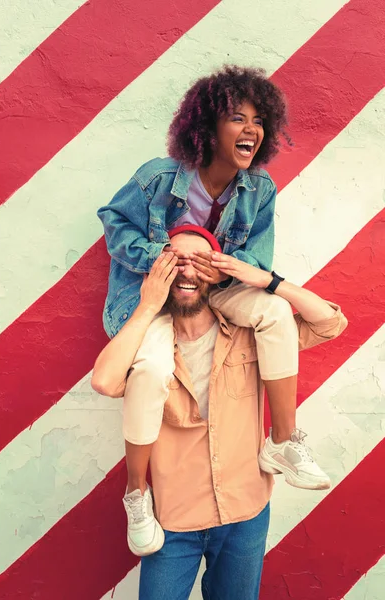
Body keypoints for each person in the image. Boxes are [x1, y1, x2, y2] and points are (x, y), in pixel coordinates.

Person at [97, 65, 329, 557]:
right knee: (153, 368)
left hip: (216, 287)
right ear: (205, 128)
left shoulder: (260, 190)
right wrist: (163, 258)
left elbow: (257, 263)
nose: (251, 129)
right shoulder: (158, 177)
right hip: (155, 293)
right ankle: (136, 495)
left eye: (259, 120)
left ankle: (282, 440)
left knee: (274, 313)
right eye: (237, 118)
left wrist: (218, 271)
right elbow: (114, 221)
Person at [91, 230, 348, 600]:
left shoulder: (252, 334)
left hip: (245, 515)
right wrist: (147, 307)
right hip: (173, 521)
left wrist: (269, 281)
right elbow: (104, 380)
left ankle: (282, 442)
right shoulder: (149, 351)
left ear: (216, 273)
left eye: (199, 261)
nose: (187, 271)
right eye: (175, 261)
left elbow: (329, 323)